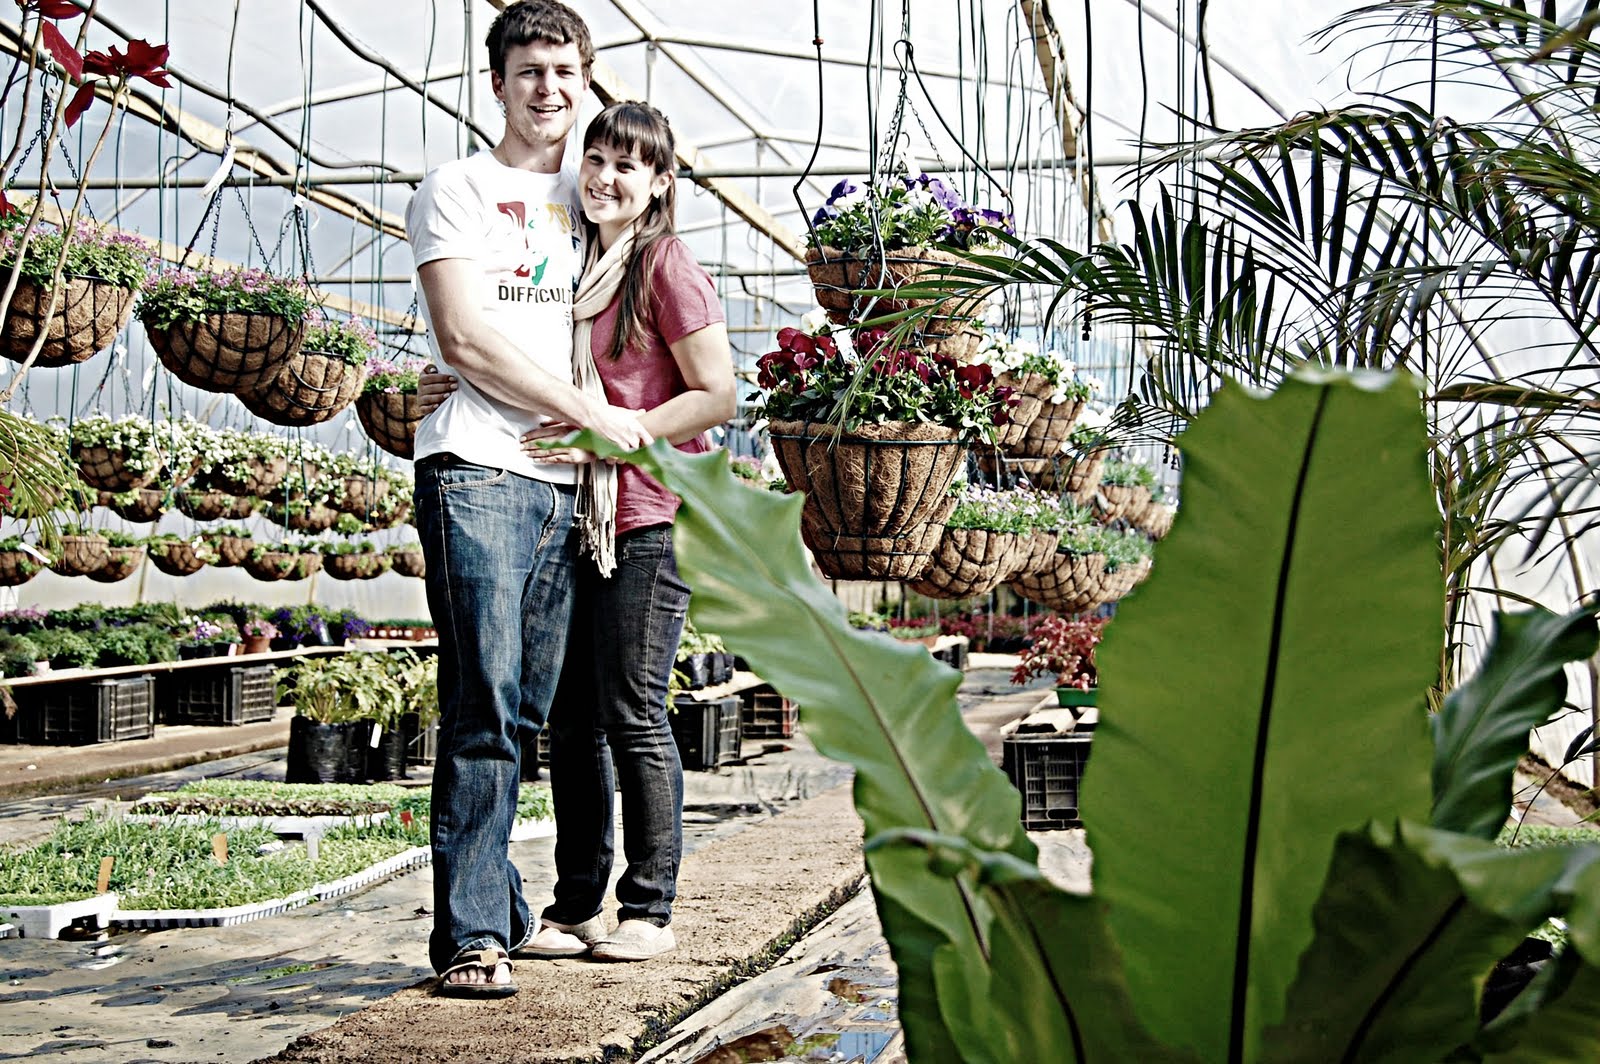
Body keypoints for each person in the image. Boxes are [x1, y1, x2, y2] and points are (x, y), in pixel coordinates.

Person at [417, 100, 736, 964]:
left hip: (647, 514)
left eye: (628, 165)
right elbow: (502, 336)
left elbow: (718, 394)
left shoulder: (661, 263)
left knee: (632, 708)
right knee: (571, 717)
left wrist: (607, 430)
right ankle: (577, 904)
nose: (605, 176)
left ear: (660, 183)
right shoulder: (575, 263)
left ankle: (649, 907)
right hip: (576, 510)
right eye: (595, 160)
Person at [403, 1, 653, 998]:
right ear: (496, 82)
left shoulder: (602, 191)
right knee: (483, 699)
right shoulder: (455, 188)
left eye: (563, 70)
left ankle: (499, 901)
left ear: (586, 79)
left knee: (528, 712)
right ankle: (470, 934)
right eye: (528, 71)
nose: (547, 89)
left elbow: (651, 313)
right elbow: (462, 340)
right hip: (476, 466)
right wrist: (575, 404)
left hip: (569, 490)